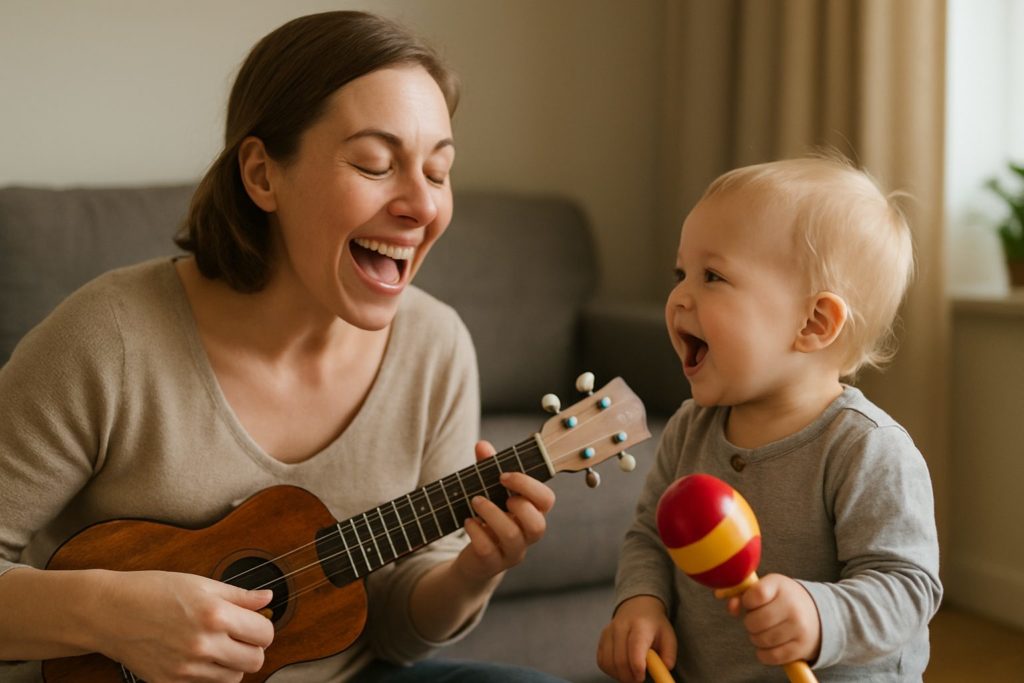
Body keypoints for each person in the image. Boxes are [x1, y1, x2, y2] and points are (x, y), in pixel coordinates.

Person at [0, 11, 565, 683]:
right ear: (263, 176)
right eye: (375, 164)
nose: (421, 205)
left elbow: (390, 627)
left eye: (438, 171)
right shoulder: (108, 339)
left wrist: (472, 571)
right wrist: (112, 610)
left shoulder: (436, 346)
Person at [596, 155, 942, 682]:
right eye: (680, 273)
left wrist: (819, 614)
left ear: (813, 323)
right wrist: (640, 600)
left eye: (713, 275)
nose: (679, 296)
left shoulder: (867, 450)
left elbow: (908, 586)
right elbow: (649, 535)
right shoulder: (690, 429)